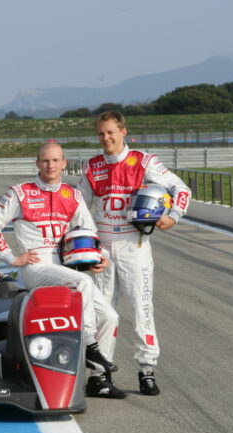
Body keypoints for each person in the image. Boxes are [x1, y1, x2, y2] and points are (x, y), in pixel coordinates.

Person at [0, 143, 125, 398]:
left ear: (63, 163)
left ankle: (97, 381)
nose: (50, 166)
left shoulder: (72, 195)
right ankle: (91, 348)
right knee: (82, 282)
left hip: (63, 264)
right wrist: (11, 257)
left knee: (110, 317)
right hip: (36, 266)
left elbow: (88, 231)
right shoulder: (20, 193)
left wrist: (101, 256)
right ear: (37, 163)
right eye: (45, 161)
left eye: (55, 161)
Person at [78, 111, 191, 395]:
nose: (106, 138)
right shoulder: (92, 166)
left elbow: (181, 188)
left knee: (142, 309)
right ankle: (100, 374)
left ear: (123, 131)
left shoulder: (144, 161)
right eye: (101, 134)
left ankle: (147, 369)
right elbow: (79, 209)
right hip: (102, 248)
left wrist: (174, 216)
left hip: (134, 245)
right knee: (103, 312)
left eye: (110, 132)